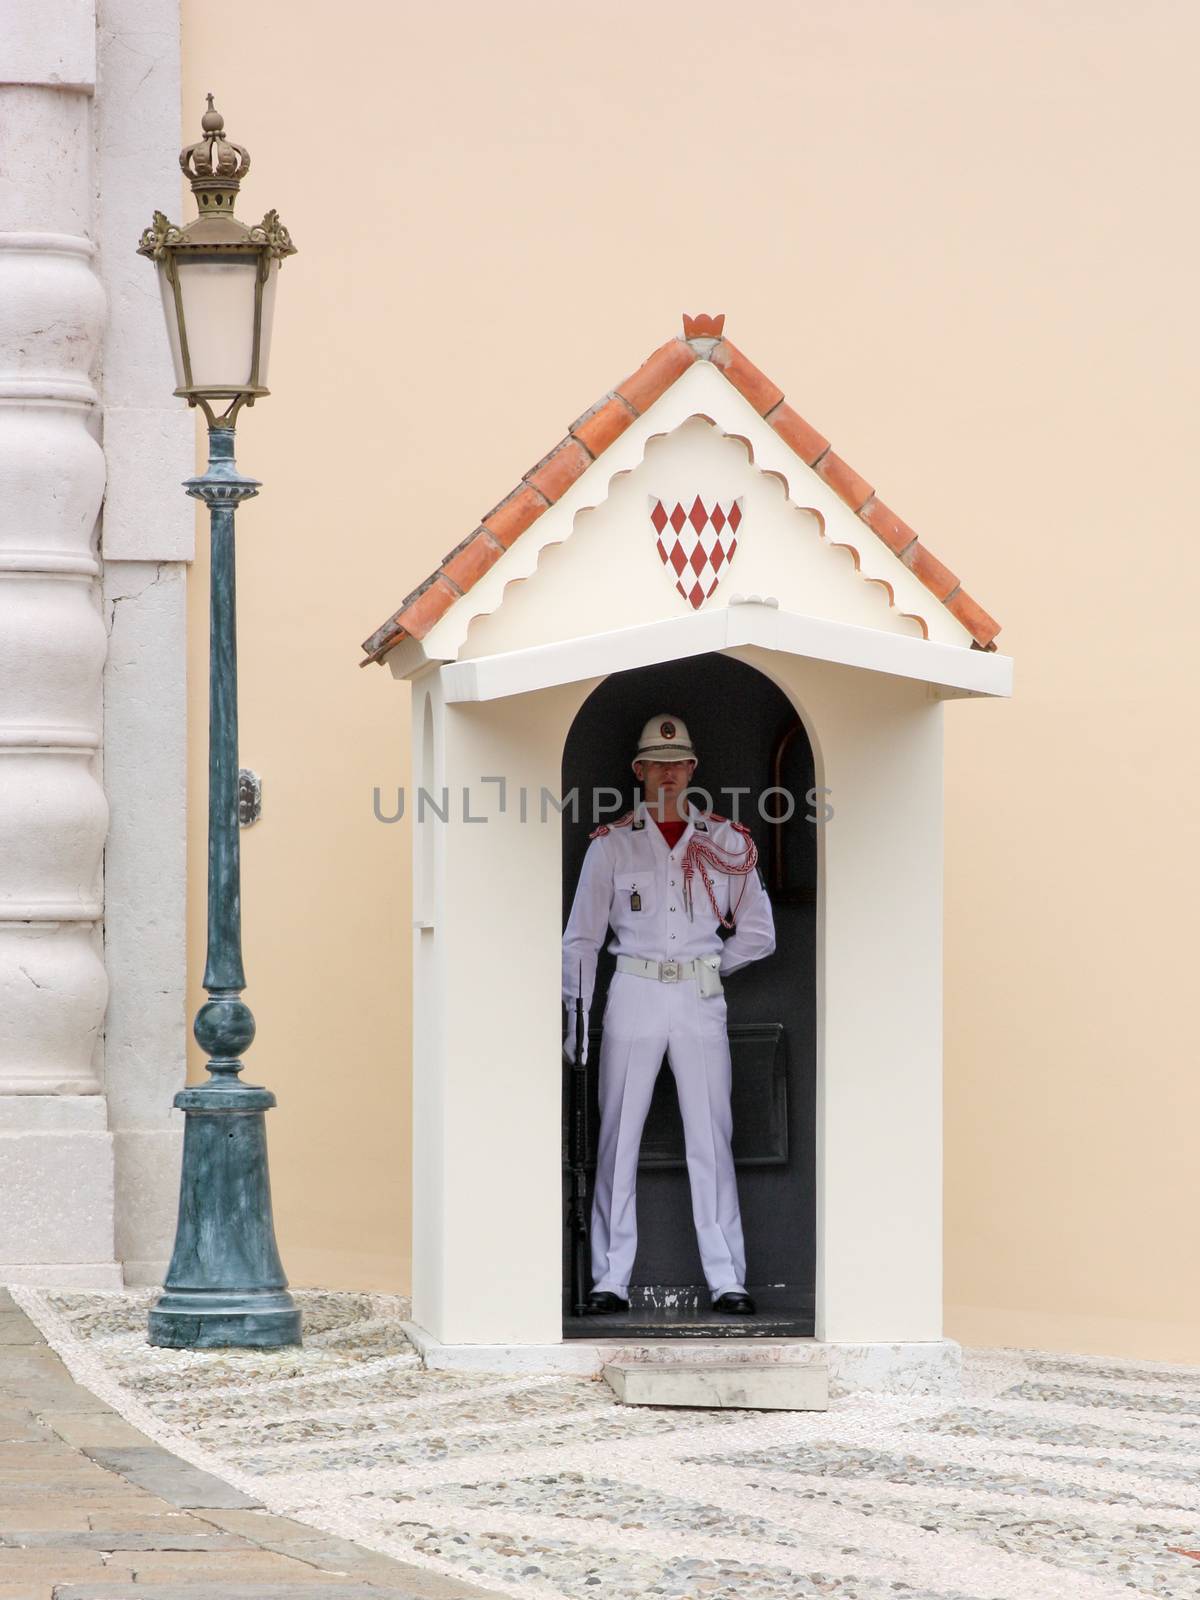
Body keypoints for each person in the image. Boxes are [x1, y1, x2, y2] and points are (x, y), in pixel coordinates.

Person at [562, 714, 776, 1315]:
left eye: (678, 762)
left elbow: (758, 932)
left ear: (692, 769)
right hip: (634, 989)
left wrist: (714, 966)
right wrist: (577, 1022)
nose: (668, 773)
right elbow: (580, 940)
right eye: (657, 763)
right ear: (638, 771)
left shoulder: (727, 843)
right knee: (617, 1136)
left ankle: (727, 1276)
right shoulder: (614, 844)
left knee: (711, 1134)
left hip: (697, 996)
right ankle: (610, 1277)